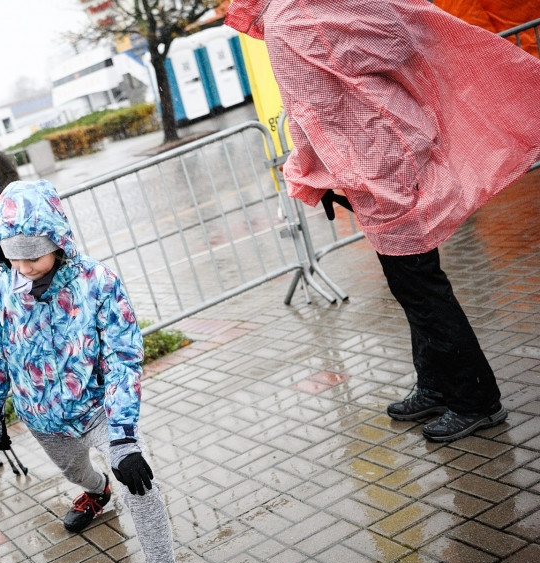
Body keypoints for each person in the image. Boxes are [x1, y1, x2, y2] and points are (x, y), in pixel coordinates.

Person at [225, 0, 540, 442]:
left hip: (381, 164)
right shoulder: (301, 11)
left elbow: (308, 113)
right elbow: (391, 43)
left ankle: (476, 400)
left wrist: (308, 172)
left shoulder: (287, 19)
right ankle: (435, 384)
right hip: (383, 156)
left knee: (420, 286)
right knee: (413, 283)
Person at [0, 180, 204, 563]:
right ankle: (95, 492)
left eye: (33, 255)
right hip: (41, 418)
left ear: (58, 241)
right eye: (13, 255)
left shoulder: (97, 283)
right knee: (75, 473)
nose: (23, 266)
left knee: (140, 486)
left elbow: (123, 356)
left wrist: (123, 436)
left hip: (98, 409)